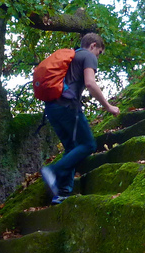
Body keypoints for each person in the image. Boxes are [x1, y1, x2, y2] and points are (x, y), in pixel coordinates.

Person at [40, 32, 120, 204]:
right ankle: (52, 171)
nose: (98, 56)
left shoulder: (71, 57)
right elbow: (90, 82)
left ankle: (61, 193)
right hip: (68, 107)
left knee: (71, 148)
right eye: (99, 52)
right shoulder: (88, 56)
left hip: (52, 108)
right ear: (93, 46)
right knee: (88, 144)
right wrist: (108, 106)